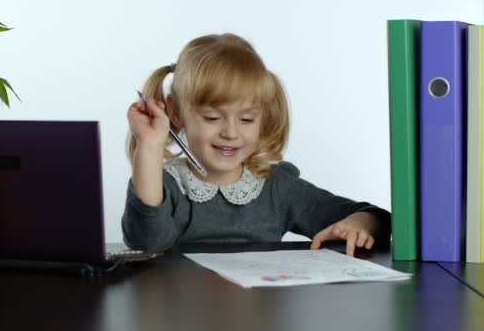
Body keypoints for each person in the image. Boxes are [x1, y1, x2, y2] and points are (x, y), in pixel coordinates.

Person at [122, 33, 390, 256]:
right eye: (213, 117)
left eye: (247, 118)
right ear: (177, 113)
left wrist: (359, 224)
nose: (230, 132)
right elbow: (146, 243)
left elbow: (374, 216)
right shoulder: (166, 186)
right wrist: (149, 145)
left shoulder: (277, 187)